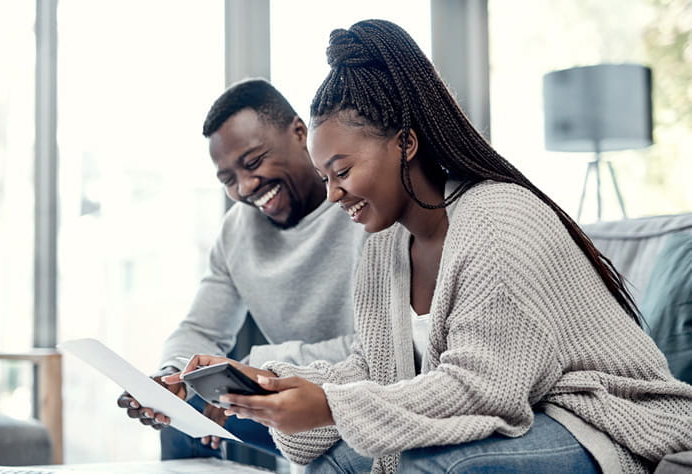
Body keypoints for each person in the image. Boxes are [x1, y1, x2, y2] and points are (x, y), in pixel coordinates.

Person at [167, 19, 692, 474]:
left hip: (599, 419)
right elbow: (371, 368)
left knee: (426, 467)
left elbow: (484, 388)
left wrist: (331, 406)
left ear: (406, 143)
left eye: (343, 171)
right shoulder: (384, 245)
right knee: (339, 460)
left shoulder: (499, 219)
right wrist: (274, 381)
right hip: (524, 411)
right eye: (326, 176)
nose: (332, 194)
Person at [116, 78, 368, 460]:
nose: (246, 186)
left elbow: (377, 349)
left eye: (253, 162)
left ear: (300, 133)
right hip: (279, 392)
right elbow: (201, 329)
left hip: (353, 396)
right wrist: (170, 379)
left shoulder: (362, 206)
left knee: (229, 399)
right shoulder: (236, 231)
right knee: (183, 413)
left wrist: (255, 370)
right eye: (228, 180)